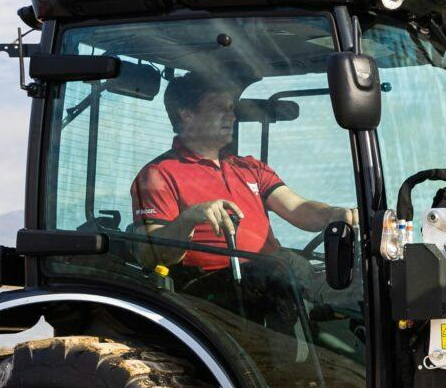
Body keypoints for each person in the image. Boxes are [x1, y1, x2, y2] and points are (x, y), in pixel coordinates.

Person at [133, 72, 357, 282]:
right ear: (187, 114)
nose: (231, 116)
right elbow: (150, 255)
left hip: (272, 276)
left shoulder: (249, 167)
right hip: (213, 292)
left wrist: (333, 214)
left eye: (231, 108)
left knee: (358, 283)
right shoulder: (159, 175)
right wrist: (189, 218)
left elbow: (297, 208)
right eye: (219, 108)